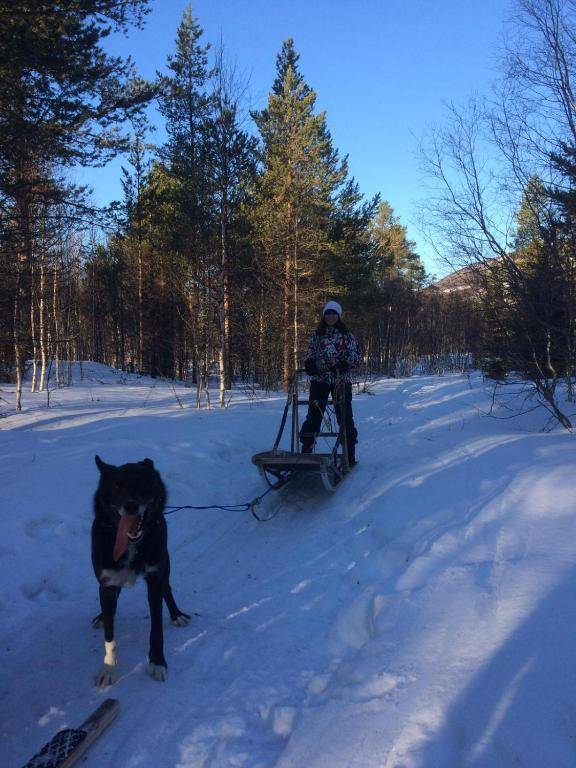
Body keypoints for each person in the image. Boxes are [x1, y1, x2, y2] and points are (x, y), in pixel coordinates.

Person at [300, 300, 361, 466]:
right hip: (319, 380)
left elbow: (356, 357)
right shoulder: (317, 334)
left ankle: (349, 454)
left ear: (339, 315)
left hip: (340, 380)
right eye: (328, 313)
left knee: (344, 417)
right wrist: (309, 364)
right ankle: (307, 449)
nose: (331, 316)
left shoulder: (347, 335)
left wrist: (345, 364)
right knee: (313, 415)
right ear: (324, 315)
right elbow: (309, 354)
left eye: (334, 313)